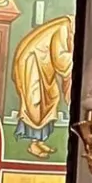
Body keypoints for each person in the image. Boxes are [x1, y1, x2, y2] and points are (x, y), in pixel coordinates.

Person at [11, 15, 74, 158]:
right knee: (35, 102)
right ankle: (33, 145)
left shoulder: (67, 27)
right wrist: (74, 60)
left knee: (51, 98)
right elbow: (59, 58)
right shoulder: (64, 28)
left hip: (44, 66)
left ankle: (39, 140)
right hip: (32, 63)